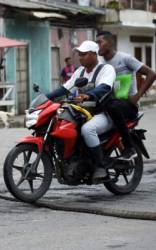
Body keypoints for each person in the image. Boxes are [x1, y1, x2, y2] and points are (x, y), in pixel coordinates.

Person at [47, 40, 116, 182]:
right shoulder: (80, 72)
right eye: (79, 55)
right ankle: (72, 159)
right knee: (62, 125)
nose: (80, 57)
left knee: (87, 130)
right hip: (83, 113)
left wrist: (89, 95)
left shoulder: (106, 69)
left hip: (103, 113)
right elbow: (65, 88)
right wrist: (44, 98)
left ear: (93, 54)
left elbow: (104, 87)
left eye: (83, 54)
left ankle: (100, 166)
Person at [96, 31, 156, 160]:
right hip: (111, 103)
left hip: (128, 105)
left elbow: (151, 74)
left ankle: (129, 147)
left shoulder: (125, 58)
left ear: (110, 42)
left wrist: (138, 96)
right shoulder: (101, 65)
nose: (98, 46)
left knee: (113, 107)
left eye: (100, 42)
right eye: (96, 43)